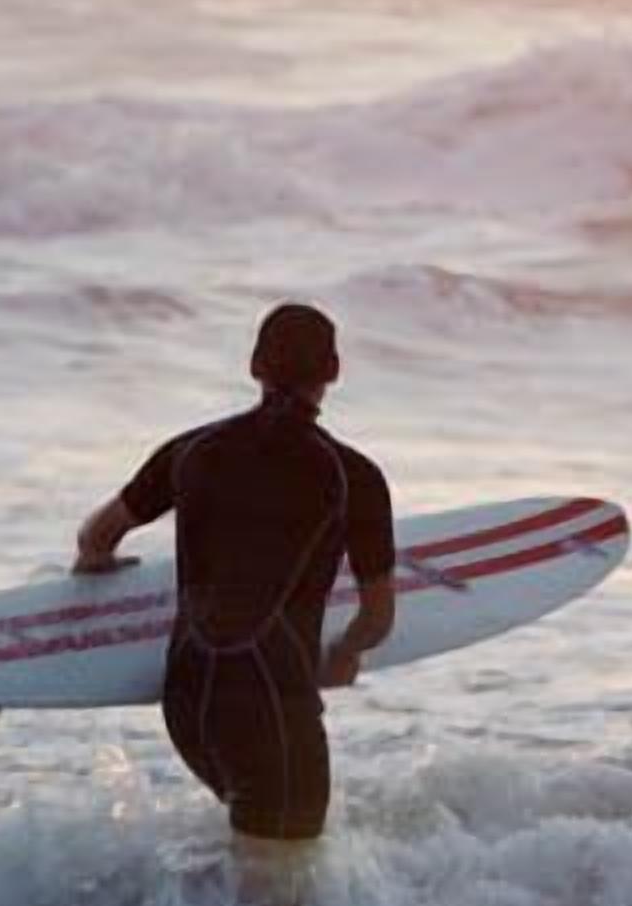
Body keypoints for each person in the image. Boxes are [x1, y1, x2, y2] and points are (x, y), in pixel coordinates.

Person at [73, 302, 398, 854]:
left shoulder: (190, 451)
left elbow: (96, 538)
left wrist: (96, 574)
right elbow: (378, 617)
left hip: (187, 700)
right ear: (334, 370)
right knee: (278, 894)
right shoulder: (355, 476)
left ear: (254, 365)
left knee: (251, 859)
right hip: (271, 699)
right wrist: (345, 652)